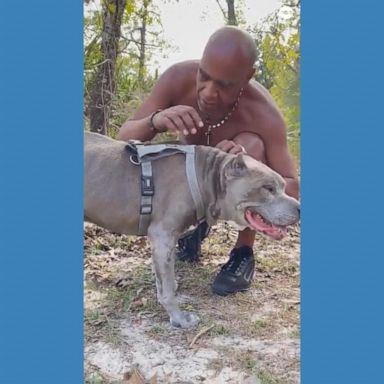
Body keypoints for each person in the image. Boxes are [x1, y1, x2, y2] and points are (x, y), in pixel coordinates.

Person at [117, 26, 299, 296]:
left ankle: (243, 253)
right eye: (204, 76)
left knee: (253, 145)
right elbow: (123, 138)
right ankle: (194, 228)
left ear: (248, 77)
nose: (208, 93)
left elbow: (292, 186)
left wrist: (249, 167)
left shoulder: (264, 114)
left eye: (224, 85)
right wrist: (156, 120)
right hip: (192, 183)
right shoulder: (178, 79)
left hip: (239, 193)